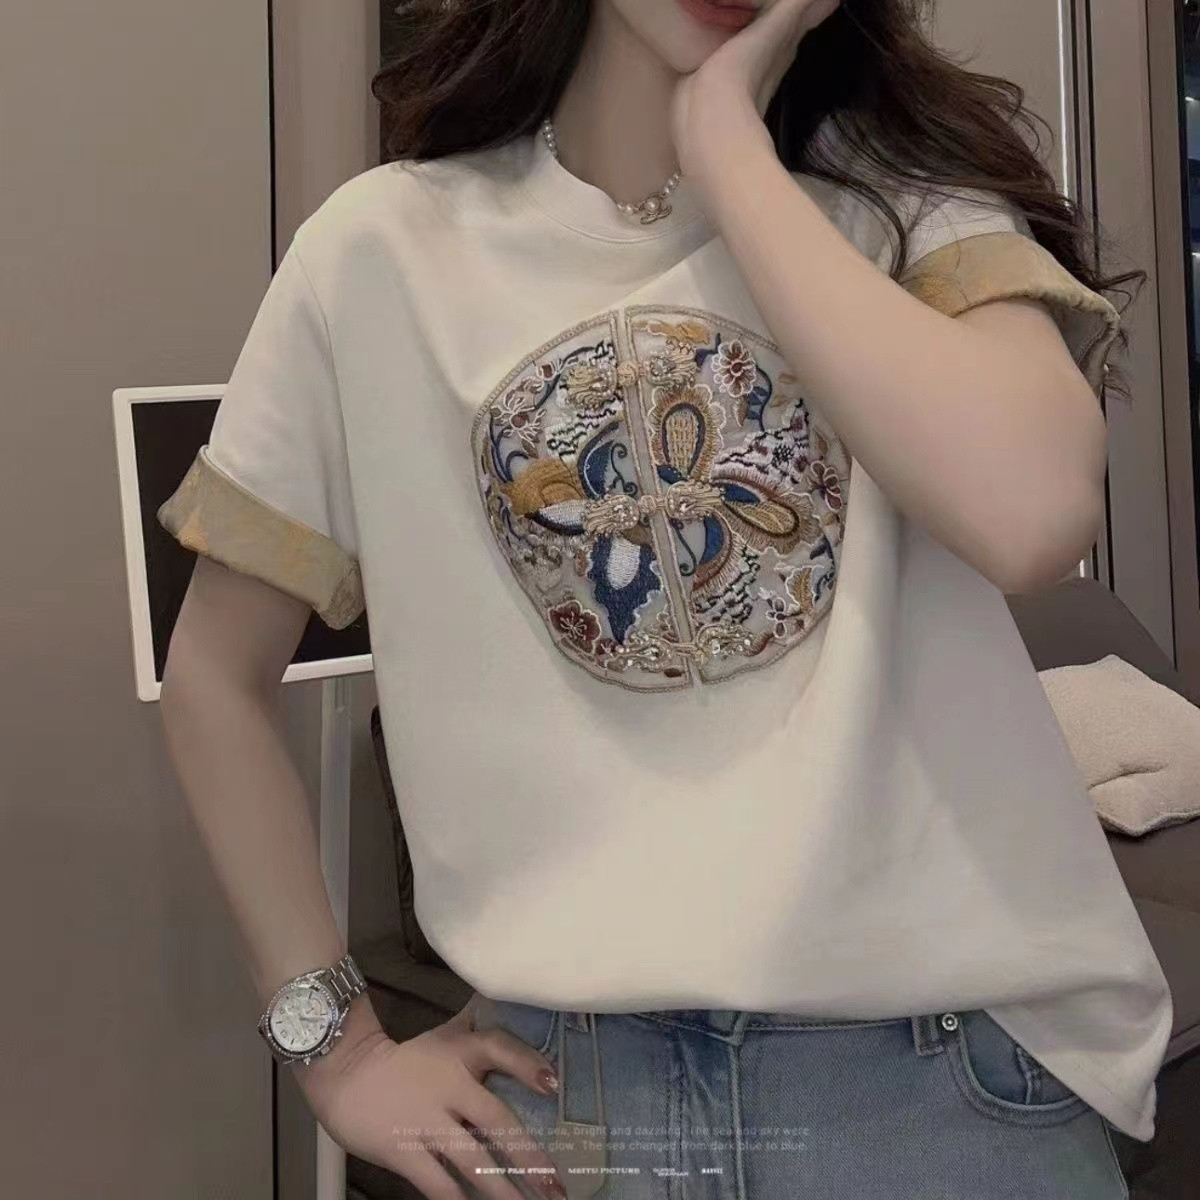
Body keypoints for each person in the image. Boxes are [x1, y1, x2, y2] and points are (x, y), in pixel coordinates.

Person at [156, 0, 1172, 1196]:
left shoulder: (910, 213)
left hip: (936, 1097)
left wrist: (727, 149)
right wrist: (339, 1052)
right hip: (570, 1105)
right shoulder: (380, 252)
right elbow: (213, 677)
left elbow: (1031, 515)